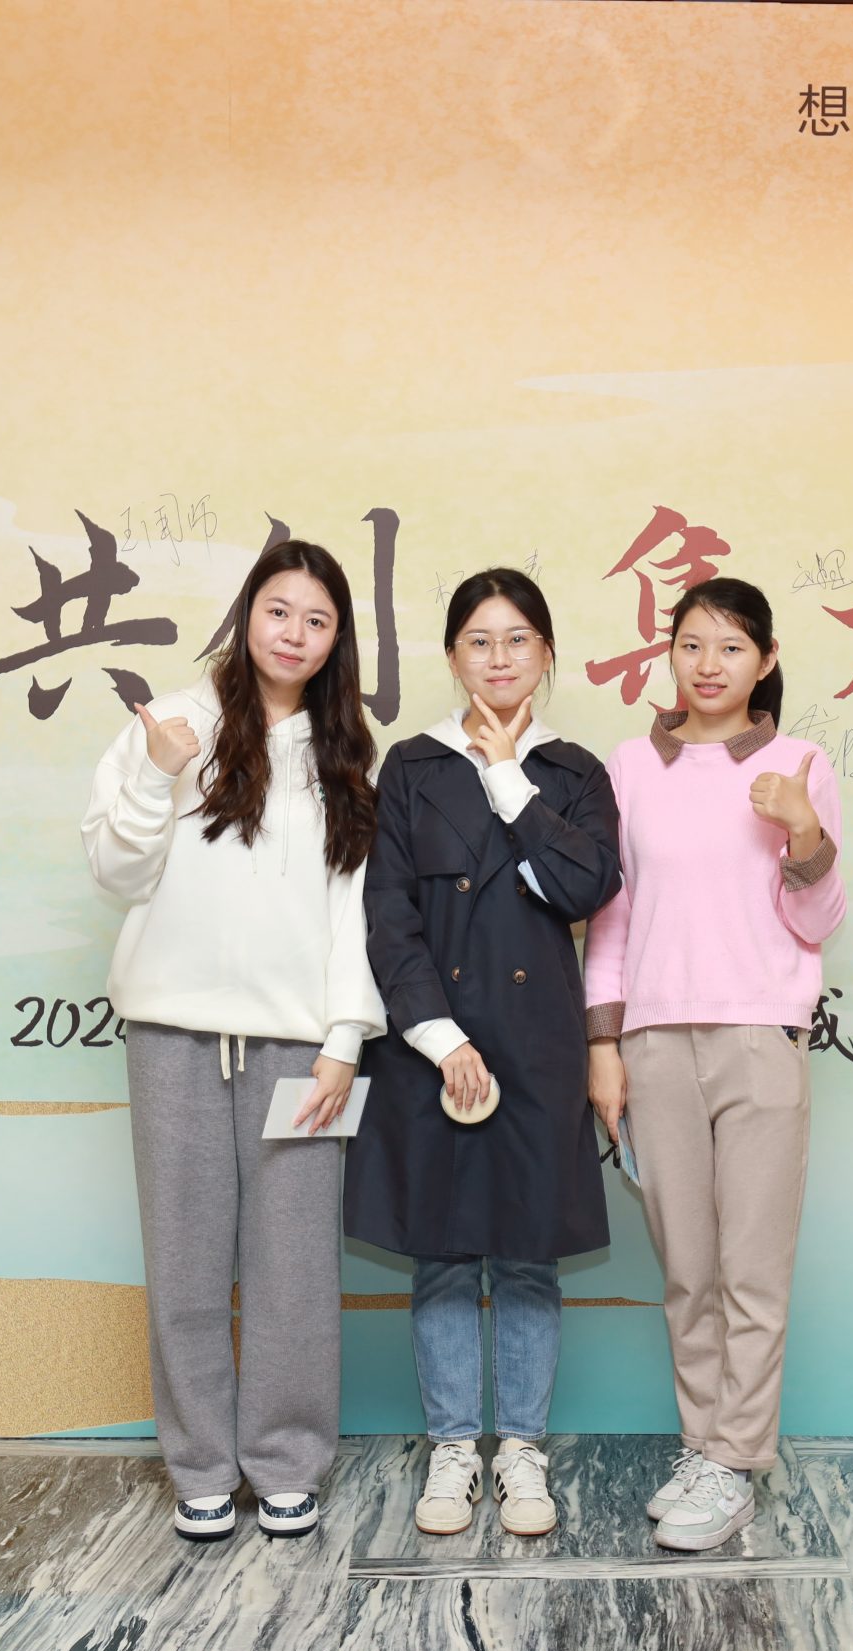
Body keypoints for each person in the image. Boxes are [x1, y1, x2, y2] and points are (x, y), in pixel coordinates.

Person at [80, 537, 386, 1541]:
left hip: (300, 1050)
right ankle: (201, 1466)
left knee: (296, 1271)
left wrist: (346, 1038)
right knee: (185, 1264)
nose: (293, 634)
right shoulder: (174, 724)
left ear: (337, 639)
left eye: (317, 620)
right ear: (247, 614)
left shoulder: (349, 751)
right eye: (278, 610)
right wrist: (157, 776)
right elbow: (116, 873)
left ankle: (287, 1461)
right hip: (172, 1038)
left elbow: (357, 909)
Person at [346, 569, 622, 1538]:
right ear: (452, 655)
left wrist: (508, 778)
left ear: (546, 653)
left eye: (517, 640)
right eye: (479, 640)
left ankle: (523, 1452)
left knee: (530, 1258)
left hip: (539, 1048)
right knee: (443, 1257)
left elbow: (584, 887)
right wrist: (439, 1035)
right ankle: (455, 1448)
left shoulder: (575, 772)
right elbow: (387, 915)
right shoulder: (411, 766)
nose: (498, 658)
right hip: (434, 1050)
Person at [582, 576, 848, 1552]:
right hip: (653, 1041)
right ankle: (704, 1449)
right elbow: (609, 919)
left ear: (765, 660)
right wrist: (602, 1045)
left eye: (731, 647)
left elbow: (818, 920)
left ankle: (736, 1460)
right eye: (691, 644)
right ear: (670, 653)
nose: (708, 665)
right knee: (686, 1269)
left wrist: (804, 831)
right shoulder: (629, 765)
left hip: (759, 1037)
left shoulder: (798, 763)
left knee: (752, 1270)